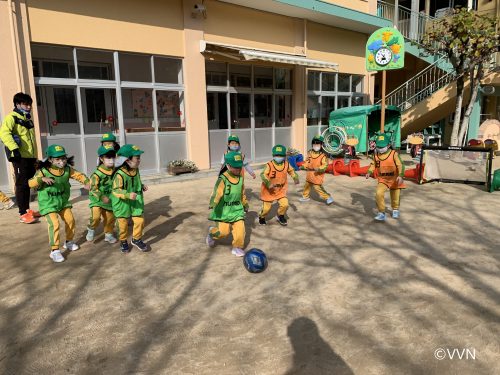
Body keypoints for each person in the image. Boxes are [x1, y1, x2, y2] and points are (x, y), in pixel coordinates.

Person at [28, 145, 89, 263]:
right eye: (57, 159)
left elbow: (79, 175)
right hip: (48, 203)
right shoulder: (43, 171)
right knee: (54, 224)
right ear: (50, 159)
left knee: (70, 220)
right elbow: (30, 183)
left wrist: (87, 182)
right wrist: (41, 179)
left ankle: (69, 242)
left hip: (62, 201)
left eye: (63, 158)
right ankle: (54, 250)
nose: (61, 161)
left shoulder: (67, 169)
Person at [0, 92, 39, 223]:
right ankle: (22, 213)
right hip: (19, 157)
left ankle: (28, 210)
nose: (29, 107)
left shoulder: (28, 119)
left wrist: (35, 156)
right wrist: (14, 149)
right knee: (22, 184)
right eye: (26, 104)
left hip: (30, 157)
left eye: (30, 104)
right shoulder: (12, 117)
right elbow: (4, 133)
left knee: (29, 183)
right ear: (18, 104)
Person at [206, 151, 249, 257]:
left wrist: (245, 204)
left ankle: (237, 247)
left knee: (240, 230)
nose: (238, 169)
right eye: (235, 167)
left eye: (239, 167)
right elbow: (217, 192)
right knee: (223, 233)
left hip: (236, 210)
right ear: (228, 166)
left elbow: (242, 193)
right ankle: (212, 233)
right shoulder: (223, 179)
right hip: (223, 211)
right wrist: (213, 202)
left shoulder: (240, 179)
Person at [111, 144, 149, 253]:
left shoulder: (135, 170)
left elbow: (136, 181)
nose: (139, 160)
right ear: (127, 160)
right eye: (137, 158)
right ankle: (123, 241)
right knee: (122, 225)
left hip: (135, 201)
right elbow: (116, 190)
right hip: (122, 203)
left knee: (140, 220)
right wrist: (127, 194)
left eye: (139, 157)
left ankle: (136, 239)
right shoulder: (120, 174)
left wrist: (141, 186)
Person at [365, 132, 405, 221]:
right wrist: (369, 171)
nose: (380, 149)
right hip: (383, 179)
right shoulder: (375, 155)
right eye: (378, 147)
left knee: (395, 196)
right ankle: (381, 212)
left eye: (382, 147)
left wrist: (401, 175)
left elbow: (400, 165)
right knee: (378, 193)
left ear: (388, 145)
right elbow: (373, 164)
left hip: (395, 179)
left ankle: (395, 209)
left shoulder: (394, 154)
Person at [259, 144, 299, 226]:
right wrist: (268, 183)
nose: (279, 157)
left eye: (281, 155)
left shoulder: (286, 164)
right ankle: (262, 216)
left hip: (281, 189)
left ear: (284, 156)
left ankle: (280, 215)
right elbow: (263, 174)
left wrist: (295, 177)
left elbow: (291, 171)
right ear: (273, 155)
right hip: (269, 190)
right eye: (276, 155)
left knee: (285, 204)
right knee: (266, 209)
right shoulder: (269, 165)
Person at [86, 145, 117, 244]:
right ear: (101, 159)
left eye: (113, 156)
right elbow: (93, 188)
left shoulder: (116, 171)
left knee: (110, 219)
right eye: (108, 157)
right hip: (97, 199)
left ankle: (108, 235)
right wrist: (101, 196)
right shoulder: (97, 174)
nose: (111, 159)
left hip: (109, 199)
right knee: (96, 217)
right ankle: (91, 228)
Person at [299, 135, 334, 205]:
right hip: (309, 174)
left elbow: (325, 165)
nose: (316, 145)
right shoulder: (310, 153)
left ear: (321, 145)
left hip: (317, 174)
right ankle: (305, 197)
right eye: (314, 144)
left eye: (318, 144)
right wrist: (303, 166)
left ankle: (328, 197)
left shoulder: (323, 155)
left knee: (317, 187)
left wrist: (319, 168)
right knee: (307, 185)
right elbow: (307, 161)